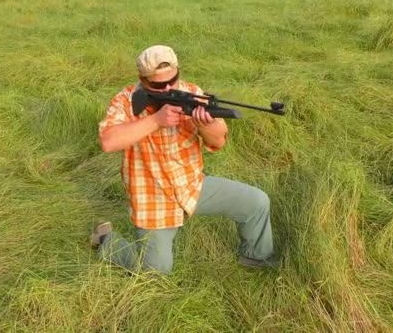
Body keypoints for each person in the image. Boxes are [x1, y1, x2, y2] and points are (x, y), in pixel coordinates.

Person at [91, 45, 279, 274]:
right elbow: (108, 141)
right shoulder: (126, 100)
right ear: (142, 80)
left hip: (192, 186)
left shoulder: (192, 92)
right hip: (152, 198)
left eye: (173, 80)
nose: (169, 88)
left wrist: (207, 125)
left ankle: (257, 259)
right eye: (159, 85)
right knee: (157, 270)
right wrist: (156, 121)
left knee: (256, 202)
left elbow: (218, 142)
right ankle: (105, 239)